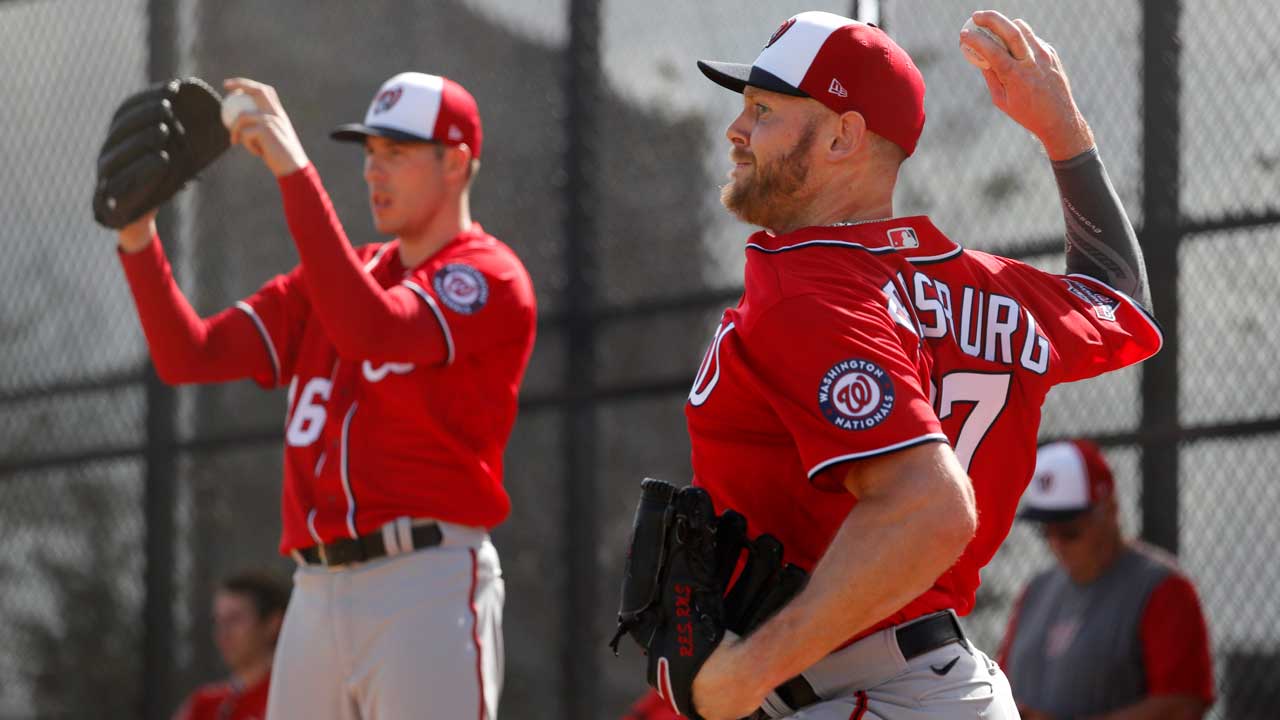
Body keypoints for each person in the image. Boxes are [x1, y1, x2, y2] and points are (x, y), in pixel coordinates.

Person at [628, 9, 1164, 720]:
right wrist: (1064, 135)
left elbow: (929, 510)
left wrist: (747, 671)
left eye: (763, 110)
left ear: (844, 136)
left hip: (859, 691)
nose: (736, 129)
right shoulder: (983, 284)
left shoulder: (808, 284)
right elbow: (1118, 300)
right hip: (929, 684)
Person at [114, 71, 536, 719]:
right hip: (313, 589)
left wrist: (294, 170)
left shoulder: (486, 275)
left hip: (424, 582)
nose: (374, 171)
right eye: (369, 154)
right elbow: (187, 355)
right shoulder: (338, 278)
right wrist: (137, 236)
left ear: (454, 162)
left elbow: (375, 330)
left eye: (395, 153)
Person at [998, 440, 1215, 720]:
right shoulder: (1036, 590)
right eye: (1045, 530)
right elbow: (1000, 683)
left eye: (1069, 530)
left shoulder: (1162, 588)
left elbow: (1181, 706)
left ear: (1109, 509)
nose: (1056, 544)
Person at [173, 571, 290, 720]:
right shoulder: (204, 703)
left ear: (273, 623)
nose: (223, 632)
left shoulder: (289, 696)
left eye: (235, 619)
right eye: (218, 621)